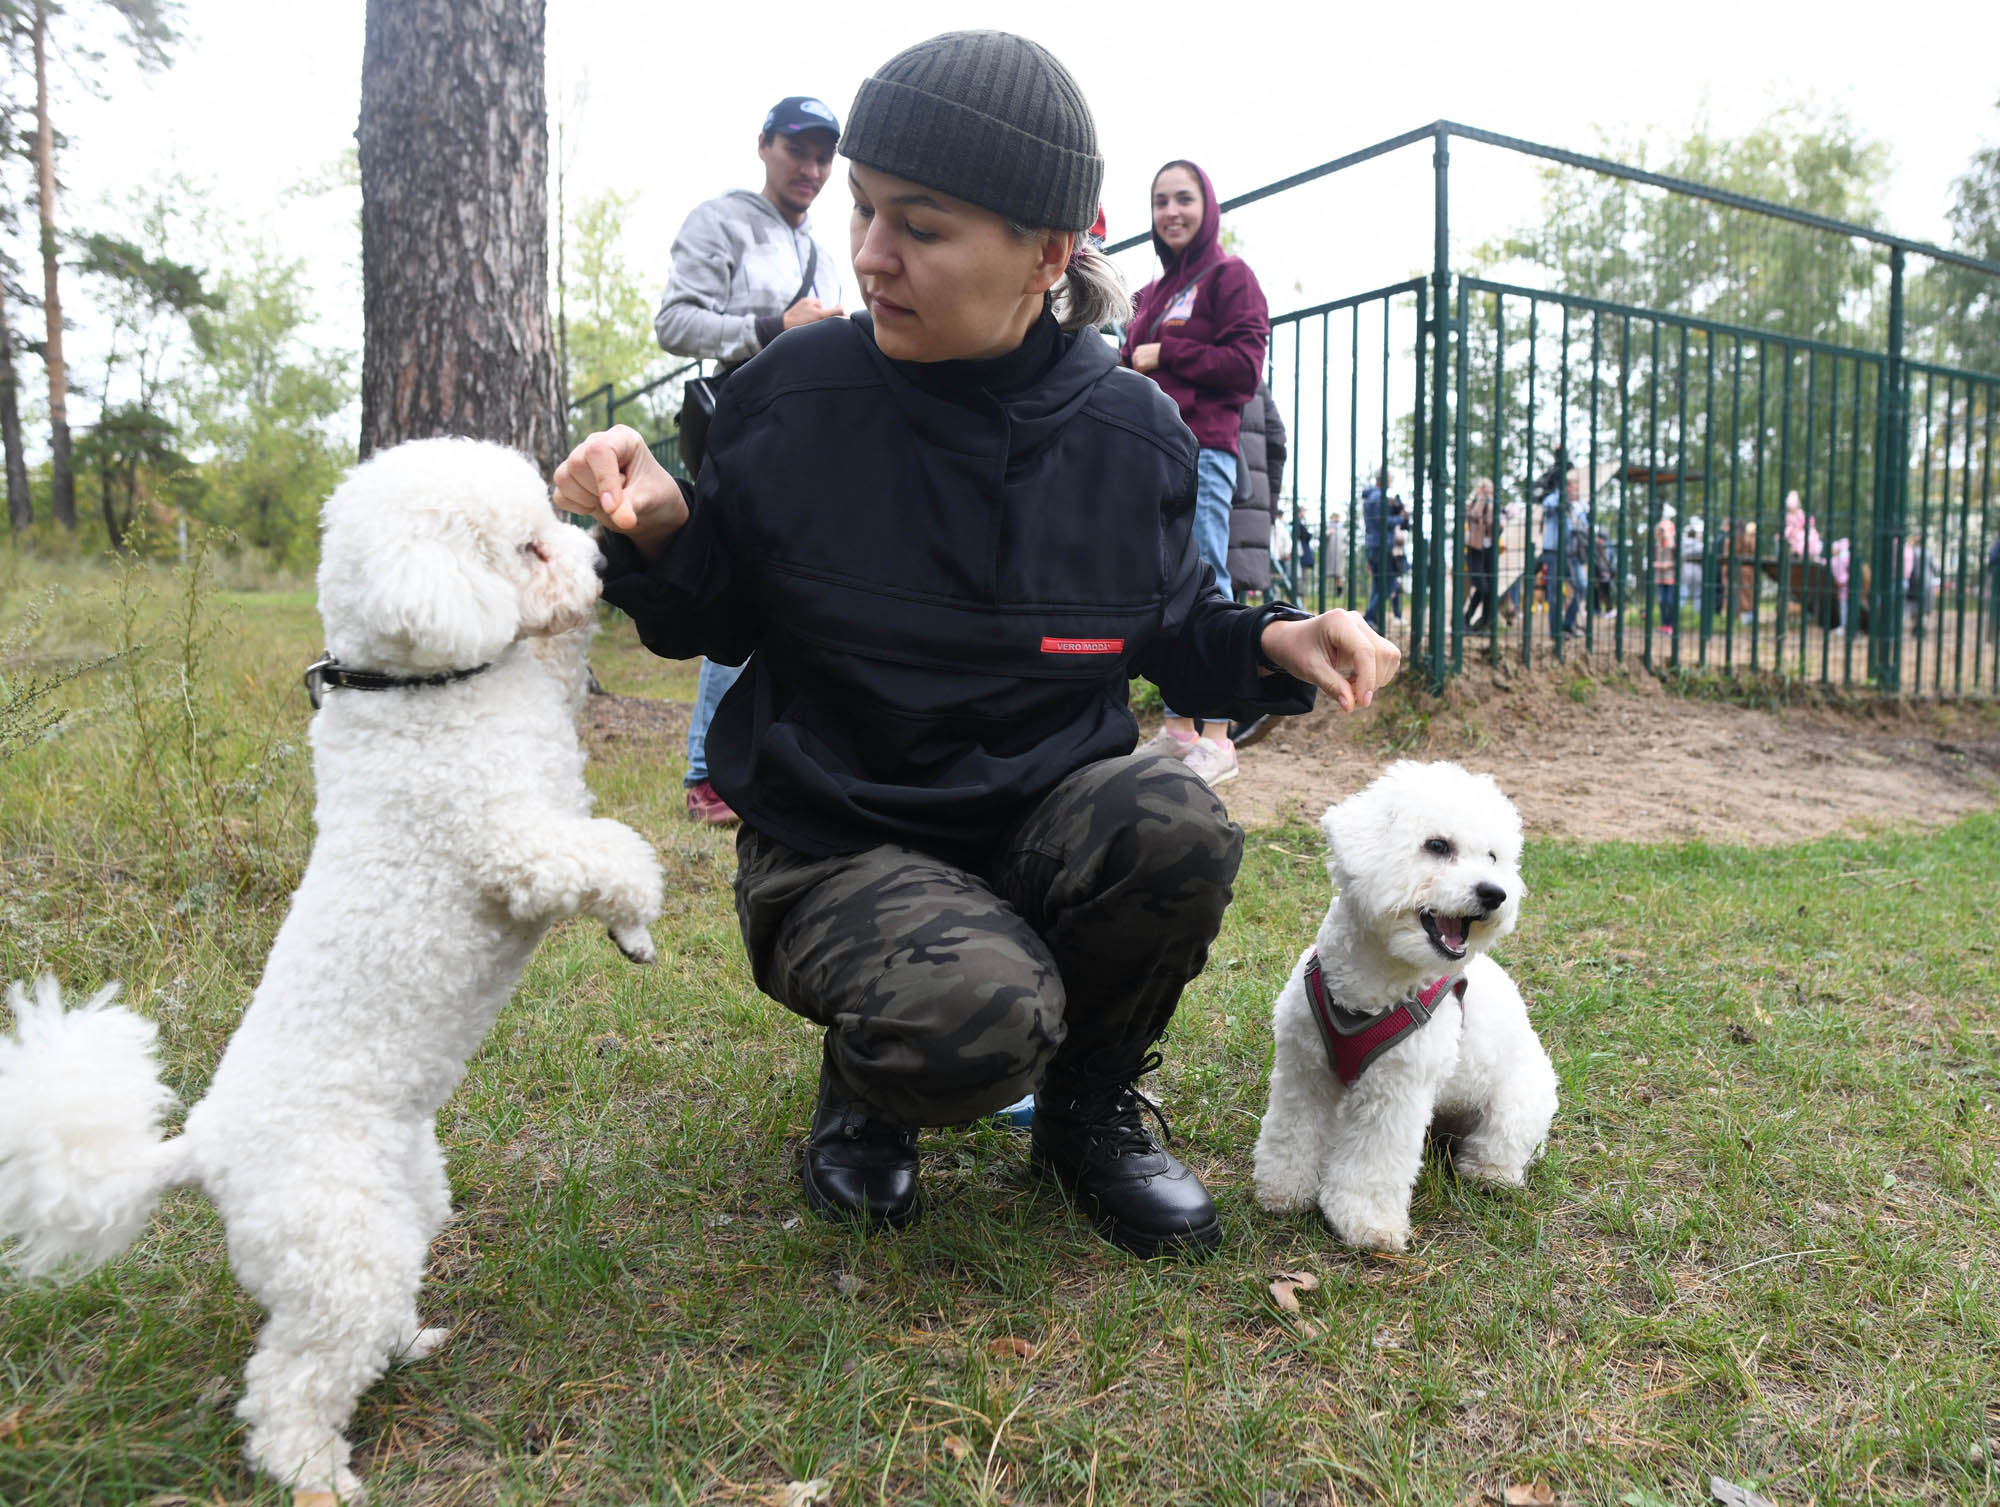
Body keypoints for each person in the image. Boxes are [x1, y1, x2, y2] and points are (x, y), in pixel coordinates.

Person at [556, 30, 1400, 1259]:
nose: (869, 254)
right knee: (976, 1010)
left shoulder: (1131, 436)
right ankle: (871, 1089)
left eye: (923, 225)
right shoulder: (794, 397)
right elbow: (715, 612)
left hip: (1032, 822)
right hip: (836, 842)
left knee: (1172, 822)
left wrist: (1283, 637)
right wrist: (666, 525)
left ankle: (1086, 1107)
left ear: (1046, 255)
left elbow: (1177, 625)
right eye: (863, 210)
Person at [654, 95, 847, 826]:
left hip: (812, 440)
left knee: (799, 597)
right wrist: (774, 326)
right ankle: (708, 772)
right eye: (798, 149)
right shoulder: (721, 221)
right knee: (740, 591)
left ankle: (778, 754)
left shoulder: (827, 250)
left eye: (825, 155)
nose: (813, 167)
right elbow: (674, 321)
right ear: (764, 145)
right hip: (739, 430)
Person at [1119, 159, 1271, 789]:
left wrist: (1166, 353)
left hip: (1203, 449)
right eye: (1160, 201)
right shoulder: (1153, 293)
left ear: (1207, 207)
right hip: (1147, 456)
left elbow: (1244, 365)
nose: (1171, 212)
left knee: (1204, 579)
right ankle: (1180, 729)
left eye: (1183, 198)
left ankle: (1218, 735)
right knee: (1160, 584)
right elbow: (1129, 360)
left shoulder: (1229, 277)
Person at [1226, 381, 1287, 748]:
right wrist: (1269, 504)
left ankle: (1213, 719)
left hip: (1216, 493)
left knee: (1200, 603)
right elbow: (1277, 443)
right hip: (1252, 504)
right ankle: (1247, 704)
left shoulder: (1193, 362)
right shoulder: (1252, 378)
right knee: (1230, 606)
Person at [1540, 468, 1587, 639]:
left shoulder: (1579, 505)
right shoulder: (1554, 499)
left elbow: (1585, 526)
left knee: (1582, 586)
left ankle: (1568, 624)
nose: (1576, 490)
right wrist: (1563, 501)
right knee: (1554, 592)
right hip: (1553, 552)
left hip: (1572, 553)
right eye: (1574, 487)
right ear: (1566, 487)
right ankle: (1555, 632)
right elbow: (1547, 505)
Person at [1463, 477, 1497, 632]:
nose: (1489, 495)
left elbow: (1493, 524)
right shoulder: (1472, 502)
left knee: (1490, 590)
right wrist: (1482, 500)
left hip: (1489, 550)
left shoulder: (1494, 505)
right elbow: (1475, 515)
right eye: (1486, 491)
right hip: (1475, 549)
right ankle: (1465, 620)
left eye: (1490, 492)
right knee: (1482, 587)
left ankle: (1484, 624)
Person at [1653, 503, 1678, 633]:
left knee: (1669, 601)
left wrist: (1667, 564)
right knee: (1662, 601)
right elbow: (1652, 559)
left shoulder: (1673, 545)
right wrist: (1656, 564)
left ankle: (1671, 625)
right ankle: (1664, 624)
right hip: (1659, 577)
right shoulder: (1656, 545)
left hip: (1670, 577)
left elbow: (1678, 561)